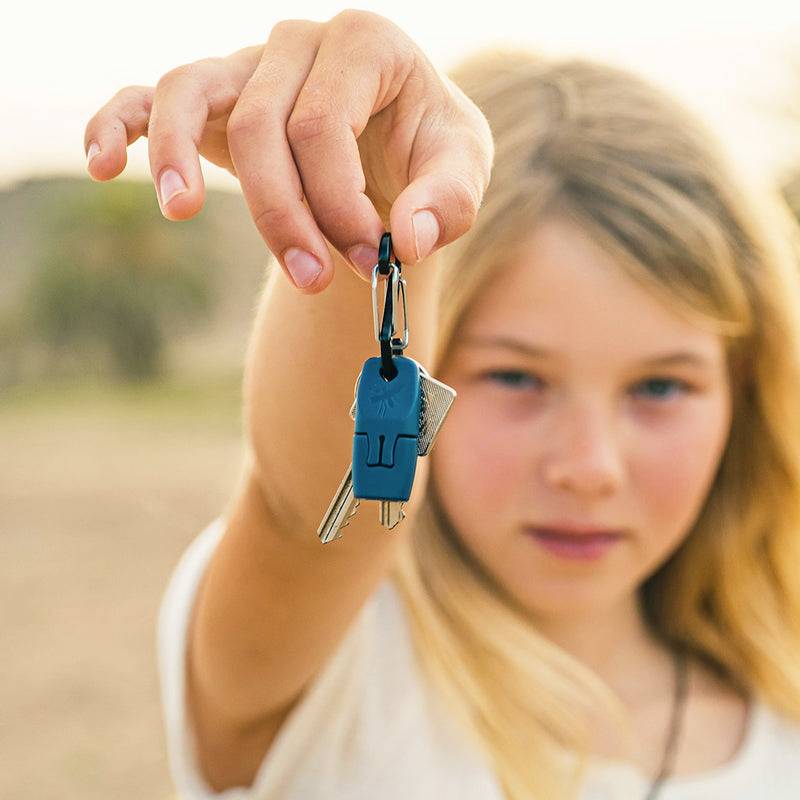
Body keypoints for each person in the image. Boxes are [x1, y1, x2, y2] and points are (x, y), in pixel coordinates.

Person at [84, 10, 800, 800]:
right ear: (425, 358)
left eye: (660, 387)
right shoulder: (338, 670)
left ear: (746, 393)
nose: (588, 469)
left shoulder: (783, 719)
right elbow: (306, 513)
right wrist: (368, 205)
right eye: (516, 379)